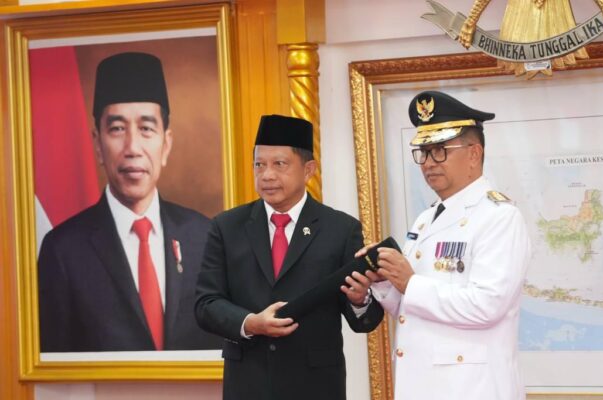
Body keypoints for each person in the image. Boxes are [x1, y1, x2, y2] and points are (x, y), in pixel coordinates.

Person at [37, 52, 221, 352]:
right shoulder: (62, 251)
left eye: (146, 128)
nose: (133, 147)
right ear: (98, 144)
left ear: (166, 144)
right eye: (117, 129)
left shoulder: (204, 237)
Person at [194, 114, 384, 400]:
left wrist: (360, 300)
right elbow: (206, 304)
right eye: (259, 165)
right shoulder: (227, 226)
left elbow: (364, 322)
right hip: (248, 384)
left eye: (279, 164)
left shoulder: (341, 229)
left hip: (316, 387)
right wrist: (250, 322)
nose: (267, 175)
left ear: (308, 170)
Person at [362, 91, 531, 399]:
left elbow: (487, 306)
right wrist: (384, 281)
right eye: (423, 152)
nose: (428, 163)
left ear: (474, 154)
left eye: (440, 151)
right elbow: (410, 309)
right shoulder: (426, 219)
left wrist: (410, 283)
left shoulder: (499, 217)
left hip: (471, 388)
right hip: (422, 384)